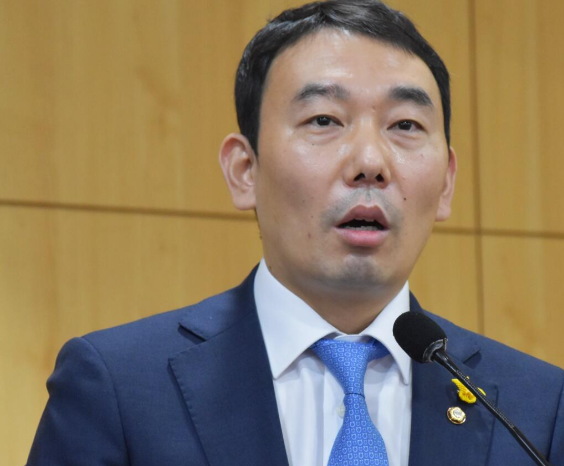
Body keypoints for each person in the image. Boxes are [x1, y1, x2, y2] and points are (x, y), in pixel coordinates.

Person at [27, 1, 564, 465]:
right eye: (324, 120)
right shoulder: (119, 388)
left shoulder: (537, 407)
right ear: (245, 170)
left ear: (446, 183)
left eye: (405, 125)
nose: (370, 162)